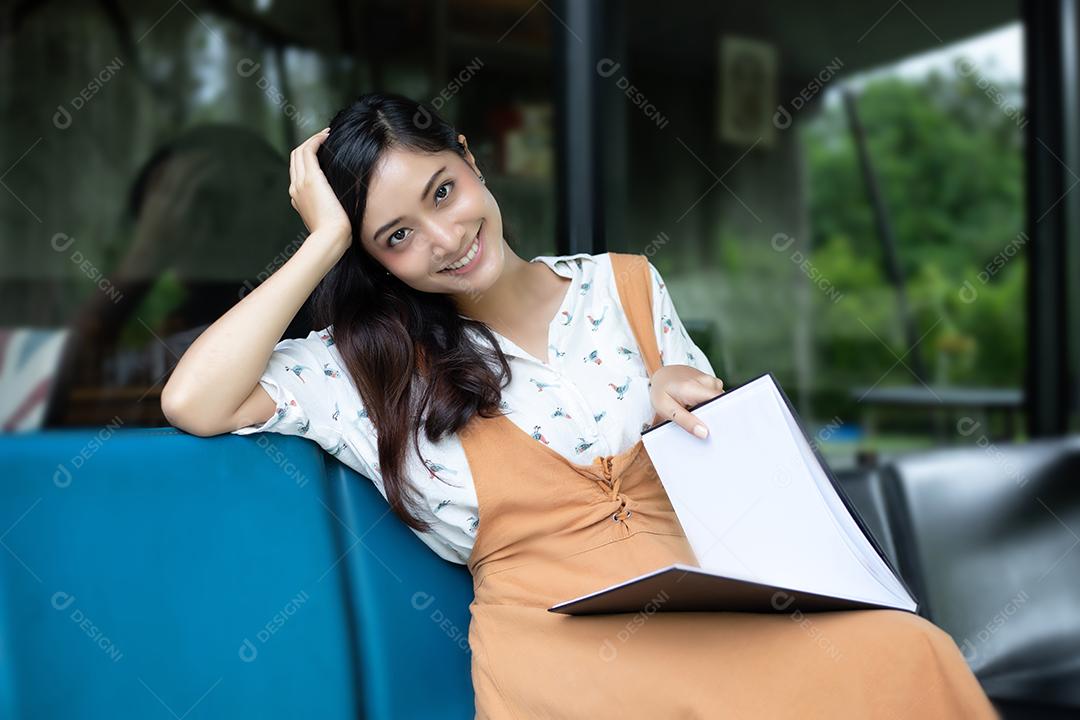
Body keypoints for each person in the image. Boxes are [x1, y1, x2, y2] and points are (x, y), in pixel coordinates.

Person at [161, 92, 999, 719]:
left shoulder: (627, 285)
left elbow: (726, 483)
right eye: (397, 236)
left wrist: (685, 402)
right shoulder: (365, 370)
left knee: (905, 654)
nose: (445, 239)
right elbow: (194, 399)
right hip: (563, 656)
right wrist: (322, 242)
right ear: (372, 259)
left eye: (442, 192)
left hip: (708, 606)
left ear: (470, 159)